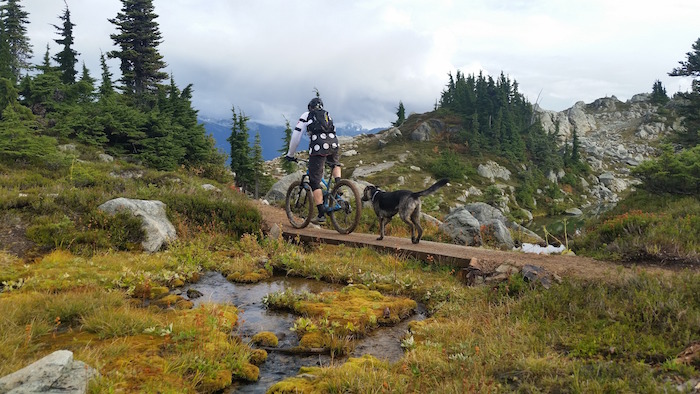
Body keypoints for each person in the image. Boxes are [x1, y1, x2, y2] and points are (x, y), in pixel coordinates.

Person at [285, 97, 341, 224]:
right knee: (334, 163)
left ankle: (321, 214)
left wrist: (290, 154)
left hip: (318, 146)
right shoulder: (327, 114)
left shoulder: (307, 115)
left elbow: (296, 136)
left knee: (314, 181)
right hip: (333, 144)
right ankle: (339, 185)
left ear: (310, 107)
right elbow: (334, 130)